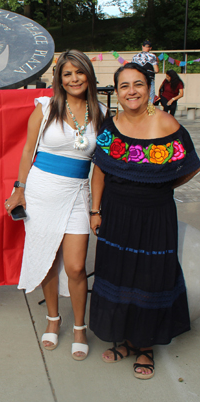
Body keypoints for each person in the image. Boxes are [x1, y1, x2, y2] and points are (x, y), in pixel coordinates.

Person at [89, 62, 200, 379]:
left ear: (149, 88)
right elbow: (100, 169)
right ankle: (124, 340)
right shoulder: (112, 125)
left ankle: (145, 346)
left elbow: (191, 166)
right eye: (124, 86)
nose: (131, 91)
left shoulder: (166, 124)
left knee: (150, 278)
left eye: (137, 84)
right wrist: (95, 210)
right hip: (116, 212)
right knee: (120, 275)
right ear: (118, 92)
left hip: (155, 216)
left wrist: (161, 186)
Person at [5, 49, 107, 361]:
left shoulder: (101, 113)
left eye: (79, 72)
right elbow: (27, 152)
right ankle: (53, 319)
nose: (74, 78)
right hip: (41, 191)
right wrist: (19, 190)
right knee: (48, 260)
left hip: (78, 194)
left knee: (76, 266)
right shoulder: (45, 108)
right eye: (67, 73)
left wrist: (95, 209)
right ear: (59, 79)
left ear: (88, 75)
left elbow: (100, 166)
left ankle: (79, 326)